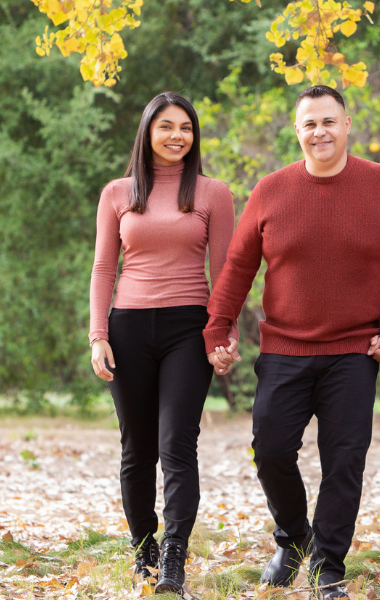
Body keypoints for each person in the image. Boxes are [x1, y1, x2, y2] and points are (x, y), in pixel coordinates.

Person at [204, 85, 380, 600]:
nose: (319, 132)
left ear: (347, 124)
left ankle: (328, 563)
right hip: (284, 350)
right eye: (309, 124)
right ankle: (294, 537)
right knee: (271, 449)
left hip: (352, 351)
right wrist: (218, 327)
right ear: (296, 131)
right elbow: (237, 267)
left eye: (328, 121)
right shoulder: (271, 190)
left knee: (345, 459)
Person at [87, 91, 235, 594]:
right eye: (166, 126)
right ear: (148, 132)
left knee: (177, 443)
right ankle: (143, 549)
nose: (177, 136)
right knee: (137, 448)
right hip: (128, 326)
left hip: (187, 330)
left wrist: (224, 333)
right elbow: (104, 267)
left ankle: (175, 554)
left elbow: (226, 273)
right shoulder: (117, 192)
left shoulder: (213, 193)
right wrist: (98, 335)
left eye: (186, 128)